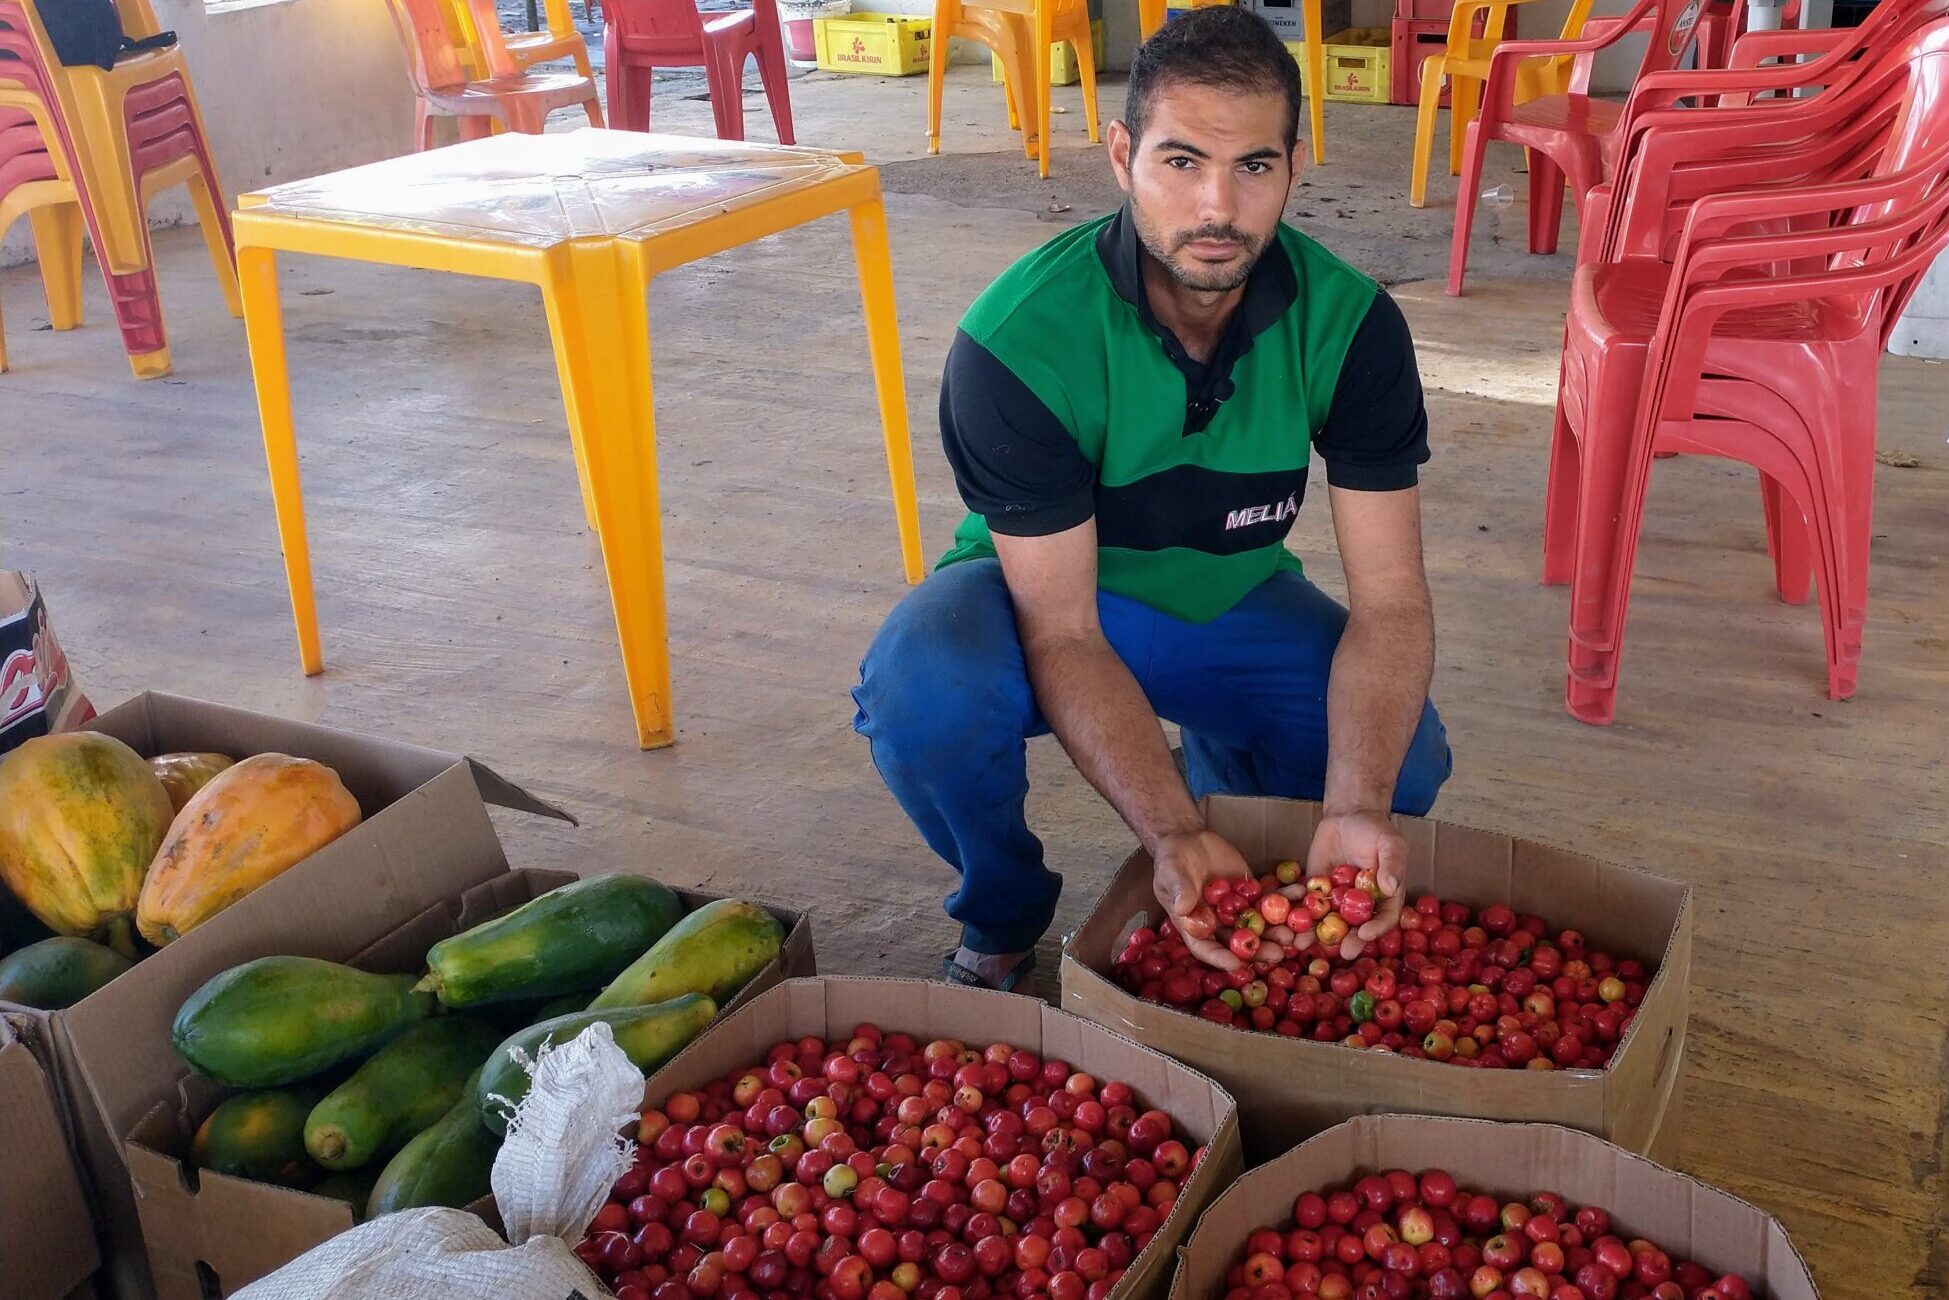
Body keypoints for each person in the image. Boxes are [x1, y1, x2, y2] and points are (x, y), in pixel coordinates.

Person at [851, 5, 1453, 992]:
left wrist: (1354, 803)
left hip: (1229, 595)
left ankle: (1245, 837)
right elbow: (1062, 631)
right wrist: (1166, 827)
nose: (1216, 206)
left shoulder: (1351, 327)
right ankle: (1001, 909)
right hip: (1039, 605)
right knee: (923, 689)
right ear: (1121, 154)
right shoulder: (1017, 342)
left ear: (1294, 166)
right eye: (1180, 162)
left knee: (1404, 761)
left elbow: (1390, 604)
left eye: (1252, 166)